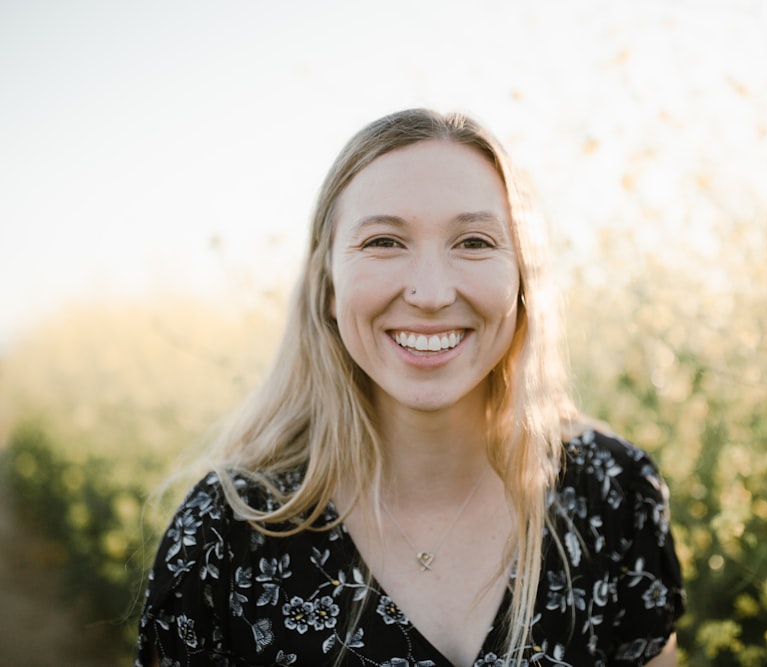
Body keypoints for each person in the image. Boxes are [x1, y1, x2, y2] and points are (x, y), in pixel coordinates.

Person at [135, 108, 685, 667]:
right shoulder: (224, 536)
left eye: (473, 242)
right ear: (328, 284)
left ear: (523, 278)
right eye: (383, 242)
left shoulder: (614, 494)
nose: (429, 293)